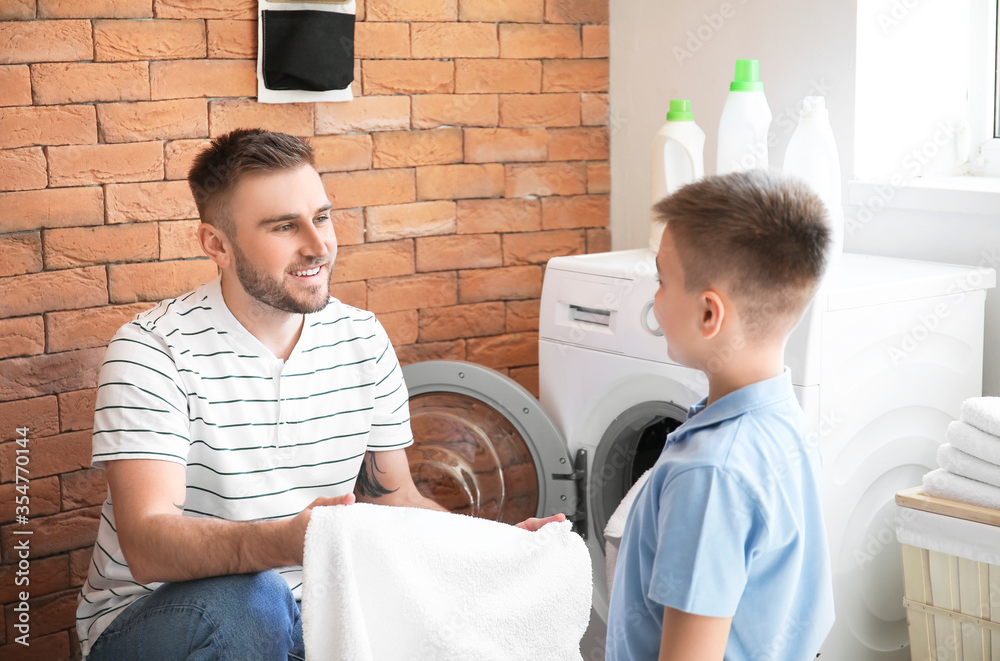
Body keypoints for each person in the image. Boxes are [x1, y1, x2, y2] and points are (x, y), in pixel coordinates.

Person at [75, 128, 564, 660]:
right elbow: (147, 544)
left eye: (322, 217)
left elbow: (393, 498)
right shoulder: (154, 349)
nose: (318, 245)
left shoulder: (361, 336)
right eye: (284, 226)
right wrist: (289, 541)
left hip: (316, 614)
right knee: (256, 597)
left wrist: (502, 550)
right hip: (161, 622)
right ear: (216, 244)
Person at [605, 170, 835, 660]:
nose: (655, 298)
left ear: (710, 314)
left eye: (663, 281)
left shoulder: (710, 474)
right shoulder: (783, 421)